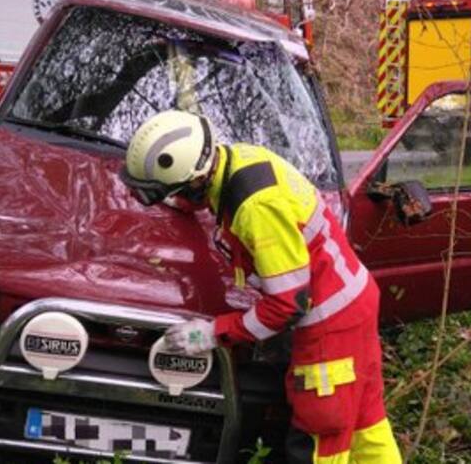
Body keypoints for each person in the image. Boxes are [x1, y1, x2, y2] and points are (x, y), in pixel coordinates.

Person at [119, 110, 401, 464]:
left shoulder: (256, 208)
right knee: (365, 425)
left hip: (330, 326)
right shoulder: (236, 160)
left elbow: (287, 304)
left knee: (321, 433)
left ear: (194, 179)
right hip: (353, 305)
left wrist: (211, 333)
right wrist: (186, 203)